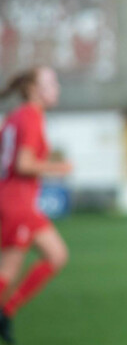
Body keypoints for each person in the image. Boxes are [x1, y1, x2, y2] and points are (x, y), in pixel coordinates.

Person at [0, 66, 72, 344]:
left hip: (15, 201)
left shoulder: (15, 116)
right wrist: (57, 167)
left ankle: (7, 310)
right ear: (32, 89)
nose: (57, 88)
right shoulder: (30, 116)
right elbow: (23, 164)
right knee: (8, 271)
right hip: (17, 203)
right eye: (50, 83)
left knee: (56, 255)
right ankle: (5, 310)